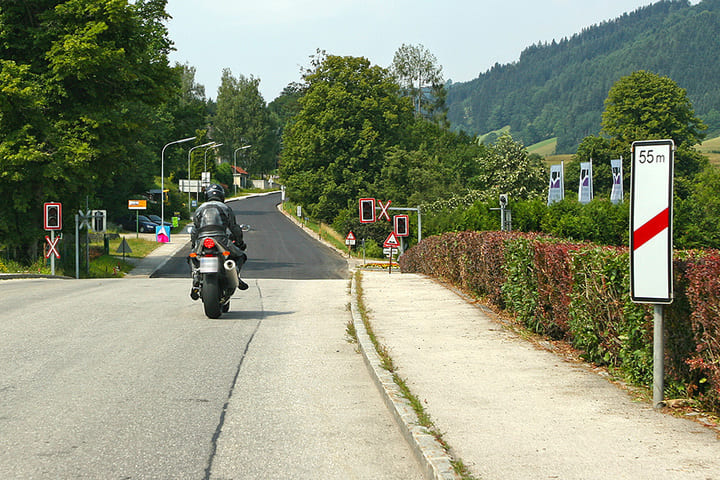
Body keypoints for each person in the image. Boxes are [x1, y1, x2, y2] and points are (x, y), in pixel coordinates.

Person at [190, 183, 248, 299]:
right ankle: (236, 276)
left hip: (202, 240)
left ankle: (196, 276)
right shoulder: (225, 208)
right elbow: (234, 228)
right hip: (221, 239)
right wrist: (240, 242)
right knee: (241, 256)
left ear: (207, 195)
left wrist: (193, 244)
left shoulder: (199, 209)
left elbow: (194, 230)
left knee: (191, 257)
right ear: (222, 196)